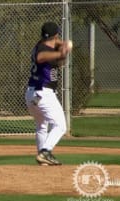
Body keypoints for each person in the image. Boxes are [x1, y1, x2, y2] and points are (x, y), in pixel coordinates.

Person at [25, 22, 72, 166]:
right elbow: (41, 57)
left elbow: (59, 57)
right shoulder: (43, 49)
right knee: (61, 126)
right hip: (43, 93)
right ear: (56, 34)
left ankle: (42, 157)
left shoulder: (43, 44)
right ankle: (45, 152)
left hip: (32, 94)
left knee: (42, 125)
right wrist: (62, 51)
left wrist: (64, 47)